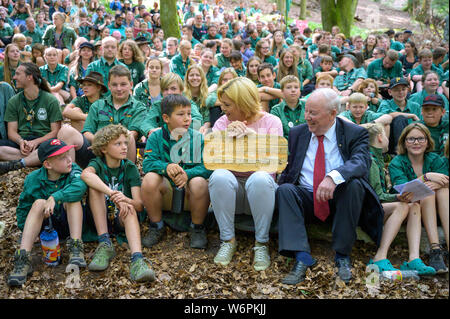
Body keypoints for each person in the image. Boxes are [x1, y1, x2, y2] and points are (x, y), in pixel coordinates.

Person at [276, 88, 384, 284]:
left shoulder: (354, 133)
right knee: (285, 190)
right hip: (308, 197)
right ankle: (302, 257)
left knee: (354, 185)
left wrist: (334, 177)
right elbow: (290, 169)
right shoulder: (297, 133)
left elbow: (361, 162)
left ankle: (342, 255)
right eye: (306, 111)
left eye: (314, 113)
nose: (307, 117)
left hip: (341, 201)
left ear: (333, 113)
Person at [208, 77, 283, 271]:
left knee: (259, 177)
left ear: (242, 102)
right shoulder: (222, 122)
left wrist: (251, 137)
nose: (223, 108)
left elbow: (274, 164)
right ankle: (228, 241)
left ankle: (261, 243)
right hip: (232, 193)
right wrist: (227, 139)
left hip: (261, 193)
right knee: (219, 175)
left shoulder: (272, 121)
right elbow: (213, 160)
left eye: (227, 104)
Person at [7, 138, 87, 287]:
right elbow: (23, 207)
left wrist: (55, 197)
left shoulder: (74, 170)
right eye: (63, 158)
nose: (69, 159)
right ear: (48, 164)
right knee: (38, 203)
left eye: (68, 154)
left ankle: (76, 247)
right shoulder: (33, 179)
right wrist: (25, 228)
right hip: (44, 228)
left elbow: (80, 186)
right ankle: (23, 258)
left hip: (68, 223)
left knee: (73, 198)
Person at [81, 124, 156, 282]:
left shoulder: (129, 167)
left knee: (129, 207)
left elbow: (139, 205)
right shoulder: (98, 163)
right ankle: (105, 243)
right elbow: (86, 175)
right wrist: (113, 194)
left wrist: (124, 199)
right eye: (118, 144)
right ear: (104, 149)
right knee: (96, 188)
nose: (124, 147)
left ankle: (137, 260)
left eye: (125, 143)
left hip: (122, 217)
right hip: (99, 216)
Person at [140, 94, 212, 249]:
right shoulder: (156, 137)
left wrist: (188, 174)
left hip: (189, 194)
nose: (187, 119)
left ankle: (197, 228)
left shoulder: (198, 138)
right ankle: (156, 226)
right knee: (149, 179)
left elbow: (207, 167)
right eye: (181, 114)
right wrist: (165, 167)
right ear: (166, 118)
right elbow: (147, 163)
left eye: (189, 114)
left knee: (200, 182)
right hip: (165, 193)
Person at [364, 123, 435, 275]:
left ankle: (413, 259)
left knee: (414, 205)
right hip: (367, 212)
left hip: (377, 207)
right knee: (402, 205)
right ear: (380, 138)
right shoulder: (370, 160)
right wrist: (397, 196)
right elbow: (378, 197)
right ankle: (380, 256)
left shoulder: (377, 157)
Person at [57, 65, 146, 169]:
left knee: (128, 136)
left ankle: (125, 177)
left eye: (123, 84)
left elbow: (133, 134)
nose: (119, 89)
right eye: (114, 84)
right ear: (109, 85)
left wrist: (107, 145)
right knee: (65, 131)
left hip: (121, 155)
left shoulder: (139, 107)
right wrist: (99, 143)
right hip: (96, 153)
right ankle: (72, 176)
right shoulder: (98, 105)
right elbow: (87, 132)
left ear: (131, 84)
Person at [388, 123, 449, 274]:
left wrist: (436, 183)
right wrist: (426, 177)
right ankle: (435, 249)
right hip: (412, 211)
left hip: (439, 209)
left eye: (421, 139)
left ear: (428, 141)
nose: (416, 142)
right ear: (404, 142)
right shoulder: (397, 162)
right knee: (427, 192)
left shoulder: (435, 159)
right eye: (411, 139)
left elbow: (445, 180)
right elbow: (405, 191)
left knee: (443, 191)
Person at [0, 63, 62, 175]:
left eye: (18, 74)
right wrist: (21, 142)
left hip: (43, 140)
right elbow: (11, 132)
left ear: (30, 77)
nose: (14, 77)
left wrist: (35, 142)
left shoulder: (50, 100)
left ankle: (24, 160)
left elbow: (55, 131)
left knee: (56, 145)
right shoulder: (14, 101)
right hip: (23, 141)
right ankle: (37, 159)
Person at [139, 72, 203, 139]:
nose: (169, 92)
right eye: (166, 89)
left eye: (173, 89)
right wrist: (150, 130)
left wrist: (172, 130)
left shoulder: (188, 104)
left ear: (181, 91)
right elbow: (146, 123)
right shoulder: (158, 105)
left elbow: (197, 121)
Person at [377, 77, 421, 154]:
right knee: (399, 119)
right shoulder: (385, 104)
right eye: (396, 90)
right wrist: (411, 115)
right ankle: (400, 154)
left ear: (408, 90)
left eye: (403, 89)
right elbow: (385, 118)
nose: (400, 92)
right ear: (390, 92)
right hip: (391, 143)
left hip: (413, 141)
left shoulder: (415, 106)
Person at [183, 65, 210, 134]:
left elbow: (207, 117)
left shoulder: (206, 95)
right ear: (187, 79)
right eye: (191, 75)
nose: (195, 78)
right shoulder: (182, 95)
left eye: (198, 75)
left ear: (202, 78)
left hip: (202, 130)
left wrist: (204, 127)